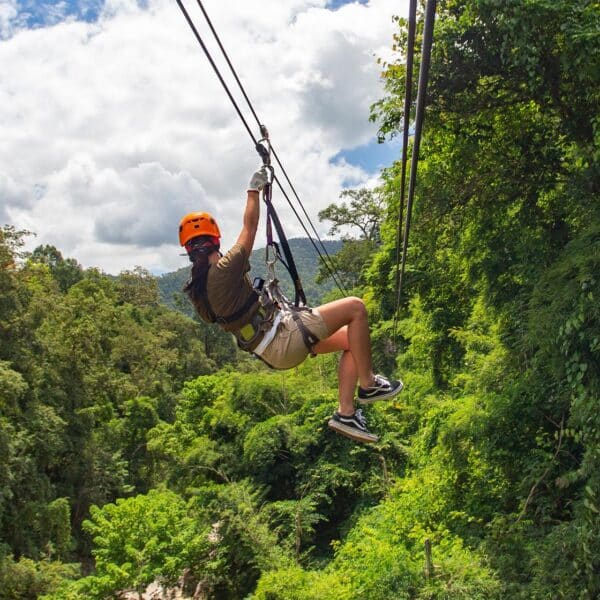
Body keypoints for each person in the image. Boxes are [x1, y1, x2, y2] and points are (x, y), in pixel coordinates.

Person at [179, 166, 403, 443]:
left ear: (187, 249)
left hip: (271, 347)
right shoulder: (224, 269)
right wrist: (253, 190)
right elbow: (249, 228)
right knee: (355, 307)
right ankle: (368, 385)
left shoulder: (198, 290)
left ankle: (346, 413)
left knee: (351, 343)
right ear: (216, 239)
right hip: (282, 337)